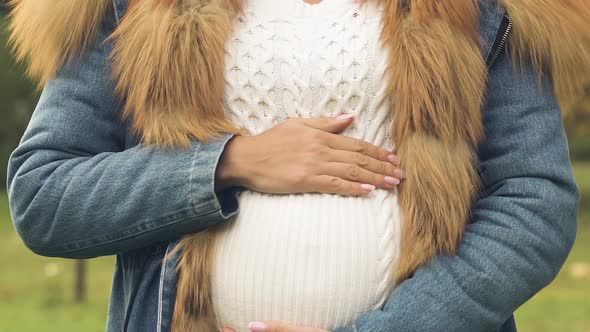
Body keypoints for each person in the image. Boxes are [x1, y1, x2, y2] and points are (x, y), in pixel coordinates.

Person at [6, 0, 584, 331]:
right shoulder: (131, 8)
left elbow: (534, 202)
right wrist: (229, 163)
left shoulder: (484, 9)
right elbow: (43, 192)